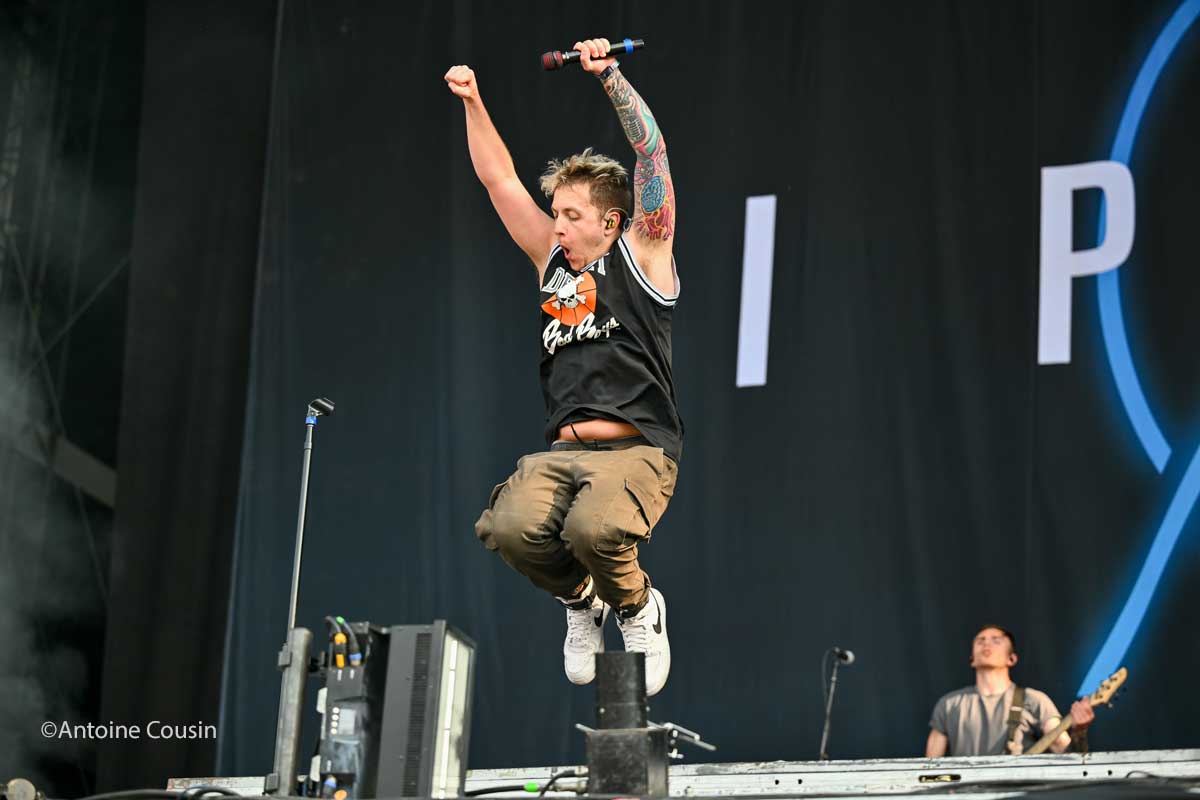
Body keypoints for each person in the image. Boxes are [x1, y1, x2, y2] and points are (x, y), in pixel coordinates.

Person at [445, 37, 682, 696]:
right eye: (555, 214)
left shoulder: (643, 253)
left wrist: (610, 78)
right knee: (510, 528)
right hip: (564, 450)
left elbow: (652, 156)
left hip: (636, 449)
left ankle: (638, 608)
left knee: (591, 528)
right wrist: (472, 100)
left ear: (610, 222)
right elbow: (499, 180)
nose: (557, 227)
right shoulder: (553, 266)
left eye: (572, 217)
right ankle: (583, 603)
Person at [925, 625, 1096, 757]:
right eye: (980, 640)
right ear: (972, 659)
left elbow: (1067, 756)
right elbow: (928, 770)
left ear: (1011, 658)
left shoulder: (1034, 700)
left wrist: (1079, 732)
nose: (986, 643)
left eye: (996, 640)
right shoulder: (948, 704)